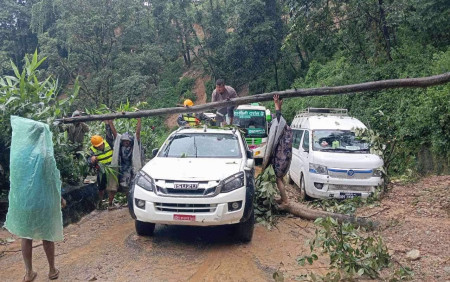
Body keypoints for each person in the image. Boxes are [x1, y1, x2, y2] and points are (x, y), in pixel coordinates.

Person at [4, 116, 64, 282]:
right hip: (44, 201)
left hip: (24, 202)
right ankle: (52, 270)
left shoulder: (19, 154)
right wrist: (60, 198)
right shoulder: (45, 156)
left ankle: (29, 272)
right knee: (47, 235)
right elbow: (52, 179)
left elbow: (15, 180)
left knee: (26, 235)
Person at [262, 95, 293, 208]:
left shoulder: (282, 127)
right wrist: (279, 105)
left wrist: (276, 104)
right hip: (284, 157)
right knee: (279, 178)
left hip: (282, 158)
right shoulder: (286, 130)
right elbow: (280, 119)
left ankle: (285, 201)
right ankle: (282, 197)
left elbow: (279, 119)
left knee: (278, 178)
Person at [107, 119, 144, 197]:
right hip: (122, 168)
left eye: (127, 141)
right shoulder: (120, 147)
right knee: (118, 185)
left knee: (131, 184)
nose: (126, 142)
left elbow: (137, 134)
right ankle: (111, 203)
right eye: (124, 141)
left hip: (131, 167)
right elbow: (115, 135)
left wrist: (139, 120)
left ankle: (129, 201)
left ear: (130, 141)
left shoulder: (133, 146)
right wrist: (110, 123)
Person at [87, 134, 114, 209]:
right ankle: (100, 202)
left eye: (100, 145)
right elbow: (88, 161)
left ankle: (110, 203)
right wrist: (92, 160)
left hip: (111, 169)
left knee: (111, 187)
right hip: (101, 171)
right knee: (101, 188)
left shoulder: (108, 143)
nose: (99, 147)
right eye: (97, 146)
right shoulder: (91, 150)